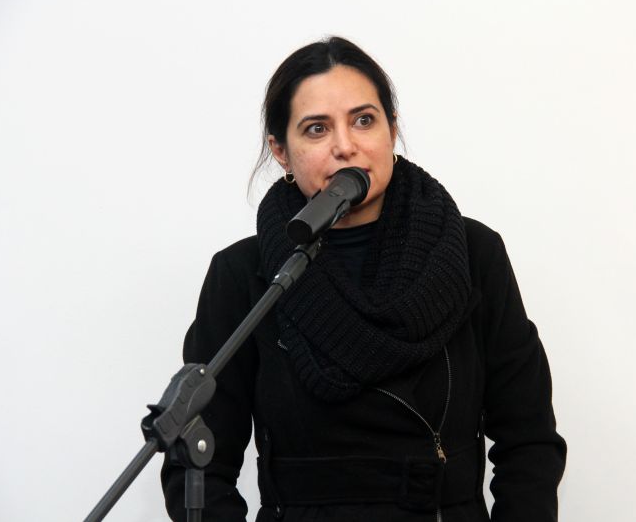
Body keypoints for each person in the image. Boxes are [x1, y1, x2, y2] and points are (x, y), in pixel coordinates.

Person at [161, 36, 566, 522]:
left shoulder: (473, 254)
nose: (345, 146)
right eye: (316, 129)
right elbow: (197, 467)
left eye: (363, 120)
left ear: (392, 130)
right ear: (281, 151)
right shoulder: (245, 276)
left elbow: (529, 440)